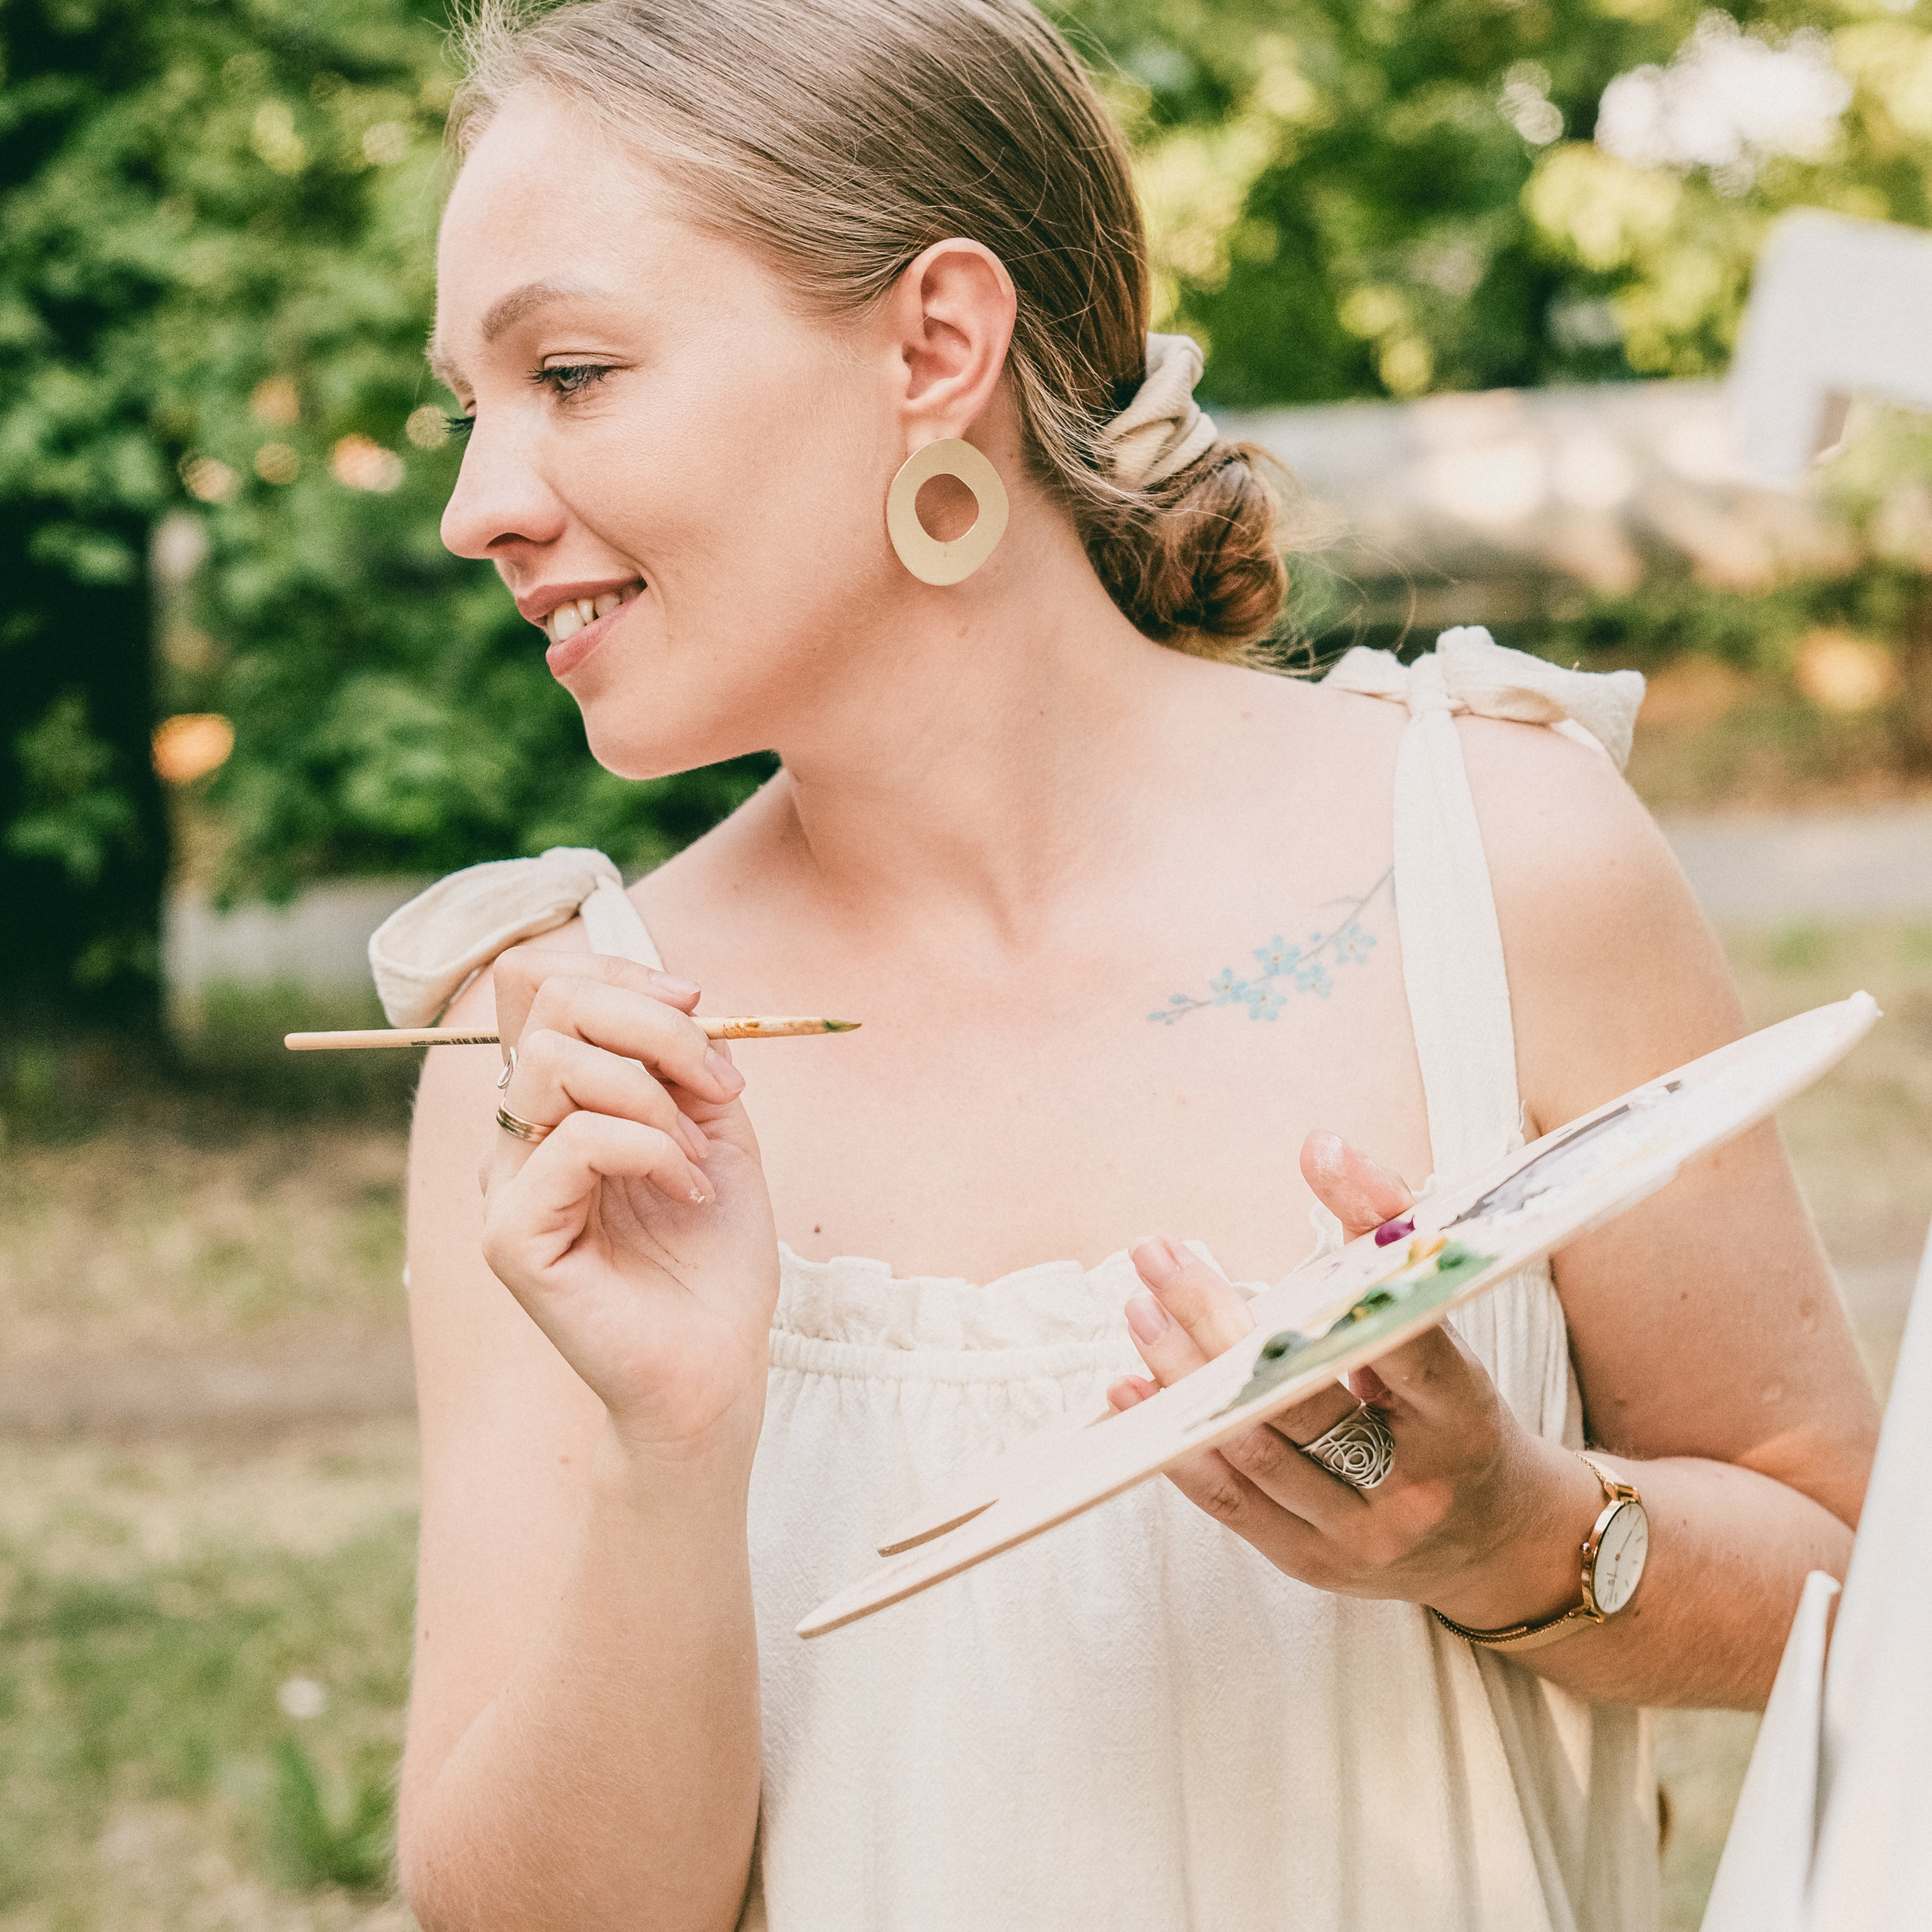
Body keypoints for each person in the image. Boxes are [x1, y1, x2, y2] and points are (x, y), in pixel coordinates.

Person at [389, 3, 1879, 1927]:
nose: (476, 505)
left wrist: (1502, 1530)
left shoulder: (1501, 859)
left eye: (572, 374)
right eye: (470, 409)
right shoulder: (557, 1072)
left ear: (933, 345)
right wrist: (670, 1454)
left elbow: (1850, 1575)